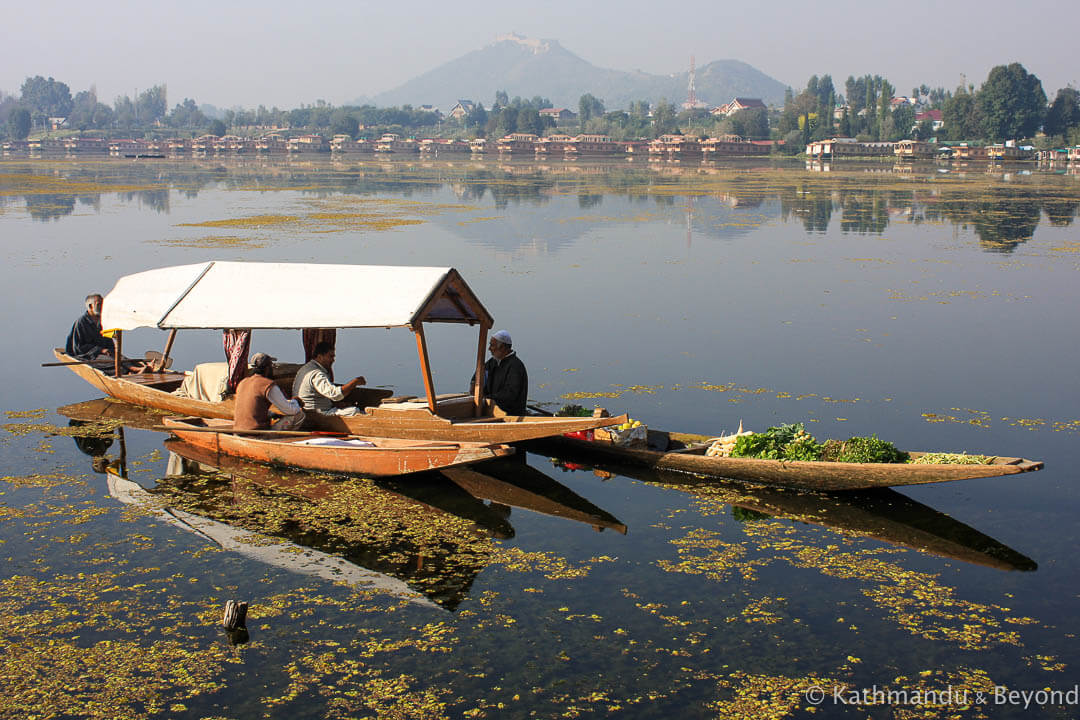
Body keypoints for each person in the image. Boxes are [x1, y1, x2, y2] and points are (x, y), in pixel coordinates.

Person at [292, 341, 367, 417]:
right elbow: (335, 395)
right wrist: (355, 382)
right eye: (330, 356)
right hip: (315, 415)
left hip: (313, 411)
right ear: (320, 357)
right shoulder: (316, 373)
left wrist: (335, 404)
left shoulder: (306, 368)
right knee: (355, 411)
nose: (333, 360)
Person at [233, 353, 306, 431]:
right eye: (272, 366)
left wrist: (272, 414)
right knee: (299, 415)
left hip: (238, 430)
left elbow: (253, 408)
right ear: (267, 368)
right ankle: (283, 439)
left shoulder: (243, 382)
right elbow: (291, 410)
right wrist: (296, 402)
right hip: (257, 433)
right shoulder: (267, 385)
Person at [472, 329, 528, 416]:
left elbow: (509, 395)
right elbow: (479, 375)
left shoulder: (516, 366)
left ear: (502, 347)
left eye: (492, 345)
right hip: (490, 411)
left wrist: (486, 398)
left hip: (510, 415)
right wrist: (474, 386)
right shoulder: (492, 362)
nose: (489, 348)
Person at [65, 294, 114, 361]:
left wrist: (112, 351)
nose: (102, 307)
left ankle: (131, 368)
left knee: (121, 359)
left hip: (106, 355)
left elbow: (110, 343)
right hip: (89, 356)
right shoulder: (81, 322)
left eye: (103, 304)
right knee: (110, 361)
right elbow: (78, 347)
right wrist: (100, 350)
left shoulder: (104, 322)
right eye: (99, 304)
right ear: (90, 306)